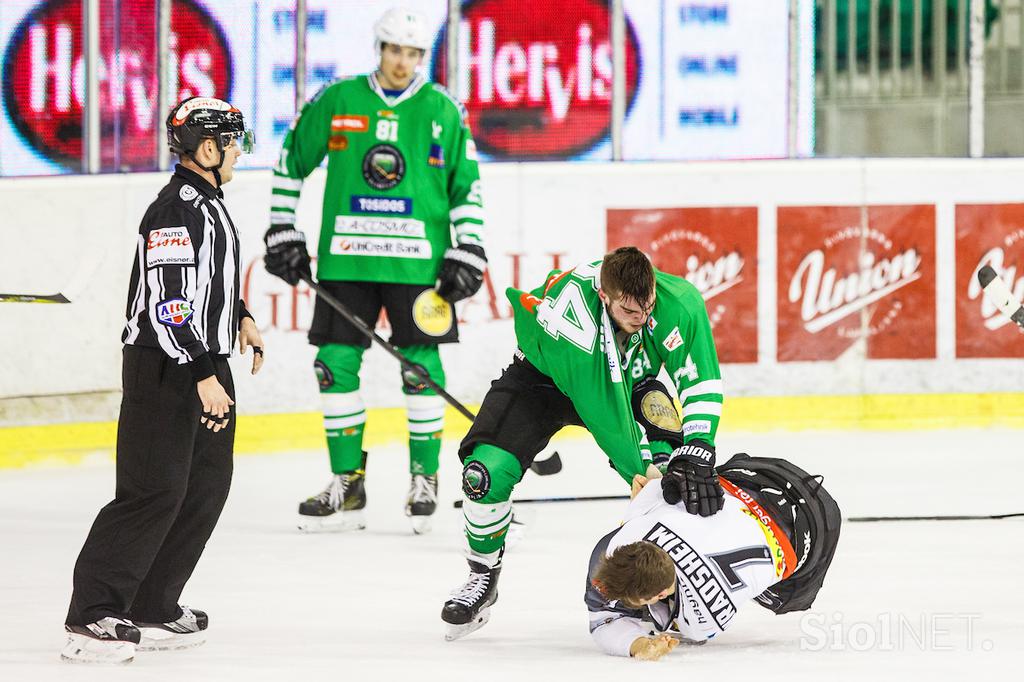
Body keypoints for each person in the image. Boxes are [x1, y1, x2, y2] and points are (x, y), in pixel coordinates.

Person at [264, 7, 486, 535]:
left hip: (420, 266)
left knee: (421, 370)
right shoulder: (338, 99)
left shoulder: (442, 109)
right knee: (334, 366)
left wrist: (470, 246)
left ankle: (424, 479)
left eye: (413, 54)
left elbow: (466, 186)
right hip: (346, 259)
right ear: (379, 49)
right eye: (394, 51)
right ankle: (348, 480)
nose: (403, 62)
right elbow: (289, 162)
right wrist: (280, 227)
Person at [62, 96, 263, 665]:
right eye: (233, 142)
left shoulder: (208, 203)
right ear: (207, 148)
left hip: (205, 361)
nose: (239, 153)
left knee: (204, 488)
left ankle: (152, 603)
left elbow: (206, 281)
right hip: (167, 366)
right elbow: (169, 302)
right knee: (151, 492)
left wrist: (240, 316)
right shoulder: (175, 208)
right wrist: (201, 371)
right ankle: (91, 615)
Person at [442, 246, 726, 640]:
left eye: (648, 307)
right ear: (604, 296)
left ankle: (674, 583)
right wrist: (640, 470)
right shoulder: (577, 319)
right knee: (483, 475)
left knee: (677, 474)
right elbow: (605, 414)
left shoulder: (678, 302)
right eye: (630, 312)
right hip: (544, 380)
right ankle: (482, 574)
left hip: (631, 384)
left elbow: (701, 382)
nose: (642, 319)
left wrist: (698, 447)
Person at [586, 453, 842, 659]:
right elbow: (651, 484)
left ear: (662, 594)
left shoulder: (699, 625)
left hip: (808, 538)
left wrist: (638, 644)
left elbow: (604, 622)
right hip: (761, 484)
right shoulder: (633, 528)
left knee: (785, 598)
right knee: (692, 485)